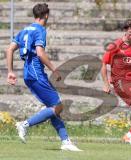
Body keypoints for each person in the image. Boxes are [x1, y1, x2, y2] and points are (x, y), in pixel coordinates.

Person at [6, 3, 81, 151]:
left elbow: (10, 49)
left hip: (28, 74)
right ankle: (24, 124)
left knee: (52, 108)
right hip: (36, 73)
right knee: (58, 107)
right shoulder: (40, 30)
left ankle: (65, 142)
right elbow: (40, 53)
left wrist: (10, 71)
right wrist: (55, 70)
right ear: (46, 15)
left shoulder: (24, 30)